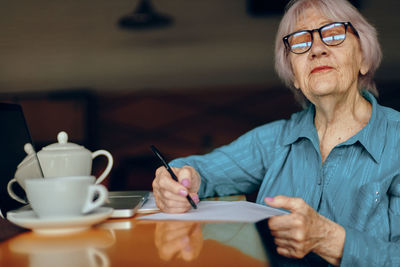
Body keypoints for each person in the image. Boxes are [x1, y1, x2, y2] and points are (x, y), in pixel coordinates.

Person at [152, 0, 400, 265]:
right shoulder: (276, 140)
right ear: (294, 74)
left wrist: (330, 239)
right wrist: (180, 179)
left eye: (334, 34)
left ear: (363, 57)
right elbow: (201, 170)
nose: (317, 49)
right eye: (301, 41)